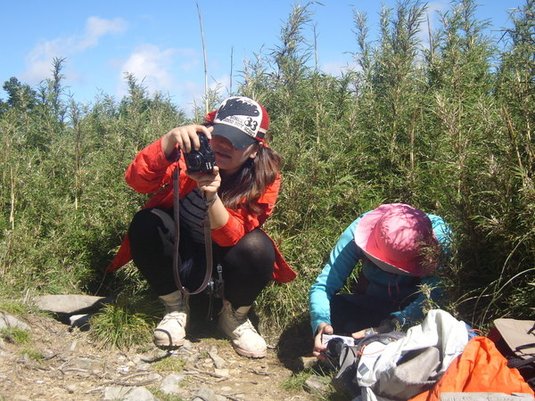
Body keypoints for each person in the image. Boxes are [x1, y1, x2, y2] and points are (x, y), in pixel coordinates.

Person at [107, 96, 296, 358]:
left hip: (223, 259)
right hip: (180, 250)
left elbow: (231, 237)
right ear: (208, 131)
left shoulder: (265, 177)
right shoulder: (188, 154)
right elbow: (137, 181)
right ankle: (175, 308)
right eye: (219, 135)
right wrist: (169, 140)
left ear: (254, 149)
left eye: (237, 141)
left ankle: (234, 317)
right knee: (146, 223)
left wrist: (211, 194)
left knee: (258, 247)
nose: (224, 145)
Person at [309, 203, 451, 359]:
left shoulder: (439, 244)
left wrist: (395, 323)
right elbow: (324, 285)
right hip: (371, 302)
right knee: (334, 308)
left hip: (411, 310)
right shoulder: (357, 232)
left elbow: (435, 293)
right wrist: (321, 323)